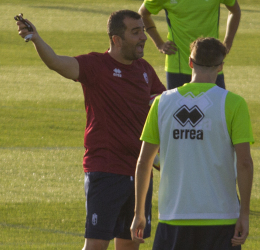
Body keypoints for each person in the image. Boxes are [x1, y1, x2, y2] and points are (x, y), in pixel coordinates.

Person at [16, 10, 166, 250]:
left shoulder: (145, 70)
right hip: (106, 170)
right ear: (116, 39)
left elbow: (162, 102)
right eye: (135, 32)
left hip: (139, 172)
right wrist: (36, 38)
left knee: (130, 244)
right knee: (96, 244)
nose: (144, 37)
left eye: (143, 31)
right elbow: (56, 62)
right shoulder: (96, 65)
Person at [131, 37, 254, 250]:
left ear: (190, 62)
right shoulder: (234, 103)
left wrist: (139, 213)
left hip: (173, 216)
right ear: (221, 66)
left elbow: (144, 162)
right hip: (221, 217)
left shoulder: (162, 102)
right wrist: (244, 213)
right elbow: (244, 163)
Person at [139, 0, 241, 90]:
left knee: (216, 110)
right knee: (178, 111)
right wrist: (159, 44)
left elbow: (235, 10)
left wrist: (228, 42)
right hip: (178, 66)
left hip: (211, 64)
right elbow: (143, 14)